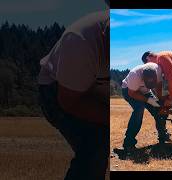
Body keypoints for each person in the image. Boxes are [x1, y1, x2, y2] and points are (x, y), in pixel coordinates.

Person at [38, 11, 109, 180]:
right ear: (104, 34)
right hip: (57, 92)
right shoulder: (79, 42)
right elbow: (69, 102)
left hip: (94, 91)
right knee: (95, 146)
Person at [121, 62, 171, 151]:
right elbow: (131, 93)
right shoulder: (134, 75)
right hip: (129, 91)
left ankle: (163, 136)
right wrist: (148, 100)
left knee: (160, 109)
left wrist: (160, 103)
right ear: (143, 78)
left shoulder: (158, 70)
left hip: (146, 91)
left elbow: (159, 86)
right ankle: (128, 142)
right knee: (139, 109)